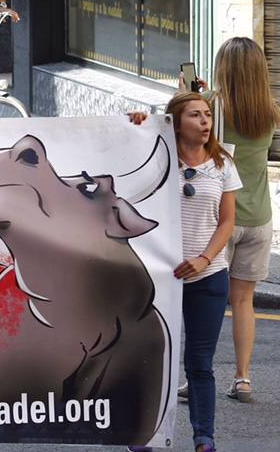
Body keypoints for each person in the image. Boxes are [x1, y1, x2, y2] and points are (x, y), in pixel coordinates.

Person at [128, 93, 238, 452]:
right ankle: (145, 433)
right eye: (196, 115)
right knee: (153, 356)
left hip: (208, 277)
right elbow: (118, 162)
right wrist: (136, 126)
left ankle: (204, 438)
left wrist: (205, 258)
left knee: (199, 363)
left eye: (208, 115)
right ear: (176, 122)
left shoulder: (222, 163)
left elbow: (227, 221)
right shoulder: (157, 159)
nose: (206, 122)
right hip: (160, 276)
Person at [210, 37, 280, 403]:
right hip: (259, 219)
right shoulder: (270, 112)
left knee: (204, 303)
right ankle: (242, 378)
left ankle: (198, 376)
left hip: (219, 219)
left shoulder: (210, 107)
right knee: (243, 303)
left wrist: (185, 95)